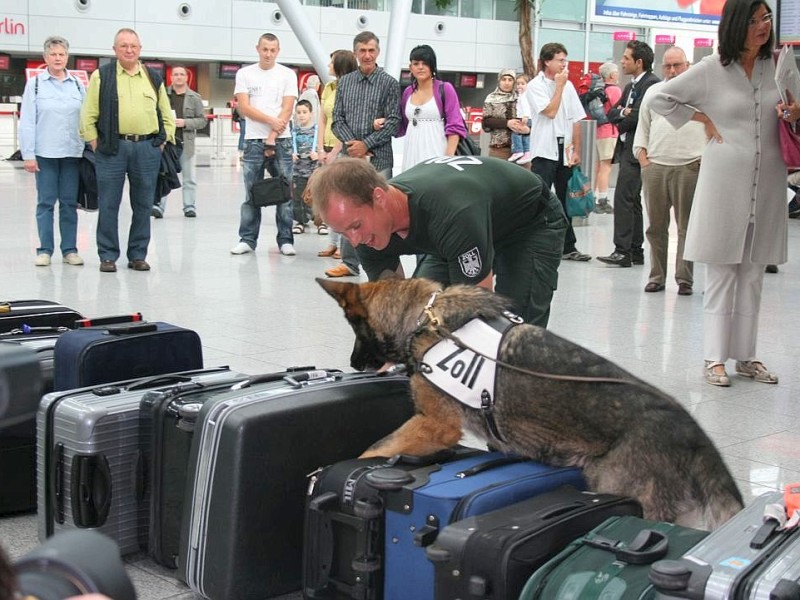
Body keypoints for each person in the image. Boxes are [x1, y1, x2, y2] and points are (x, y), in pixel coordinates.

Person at [649, 0, 800, 387]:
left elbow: (794, 108)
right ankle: (714, 359)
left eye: (766, 18)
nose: (763, 26)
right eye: (754, 21)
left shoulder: (780, 65)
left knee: (753, 273)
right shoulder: (711, 70)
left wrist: (794, 115)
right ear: (735, 26)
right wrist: (699, 117)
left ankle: (746, 357)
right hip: (722, 182)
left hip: (767, 182)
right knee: (720, 272)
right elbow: (659, 98)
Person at [309, 156, 568, 327]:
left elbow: (478, 310)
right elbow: (397, 309)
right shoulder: (367, 234)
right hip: (459, 232)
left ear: (379, 197)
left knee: (511, 326)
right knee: (423, 313)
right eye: (343, 233)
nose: (355, 241)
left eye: (355, 226)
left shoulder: (449, 215)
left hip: (529, 223)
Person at [80, 27, 175, 273]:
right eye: (123, 46)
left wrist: (162, 142)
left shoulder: (153, 77)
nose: (129, 50)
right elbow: (88, 114)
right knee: (109, 203)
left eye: (133, 46)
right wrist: (94, 142)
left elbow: (167, 113)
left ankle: (138, 255)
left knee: (143, 205)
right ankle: (108, 255)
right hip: (111, 148)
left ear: (140, 49)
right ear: (115, 50)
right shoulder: (102, 75)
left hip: (147, 148)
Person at [633, 46, 705, 297]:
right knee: (655, 226)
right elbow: (643, 127)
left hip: (689, 165)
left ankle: (684, 278)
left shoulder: (700, 92)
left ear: (688, 65)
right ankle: (657, 276)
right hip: (655, 166)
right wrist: (643, 158)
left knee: (686, 227)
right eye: (668, 66)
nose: (673, 71)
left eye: (678, 65)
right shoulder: (654, 92)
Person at [329, 30, 401, 277]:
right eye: (362, 51)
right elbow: (336, 119)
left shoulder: (390, 83)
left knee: (380, 209)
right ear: (355, 53)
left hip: (378, 160)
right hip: (349, 158)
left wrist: (367, 144)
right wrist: (353, 145)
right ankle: (349, 263)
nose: (367, 55)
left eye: (371, 50)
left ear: (378, 52)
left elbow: (393, 122)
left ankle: (384, 264)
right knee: (348, 206)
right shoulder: (345, 83)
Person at [19, 35, 85, 267]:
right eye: (53, 54)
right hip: (45, 154)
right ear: (45, 57)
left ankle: (70, 249)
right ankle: (45, 249)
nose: (58, 58)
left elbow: (86, 117)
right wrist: (28, 154)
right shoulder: (35, 84)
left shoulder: (77, 84)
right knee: (45, 203)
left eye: (62, 54)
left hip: (72, 154)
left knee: (68, 203)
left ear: (67, 56)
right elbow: (27, 120)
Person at [229, 33, 298, 257]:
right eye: (264, 49)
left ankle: (286, 240)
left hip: (282, 141)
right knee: (251, 193)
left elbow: (287, 108)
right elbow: (244, 108)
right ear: (257, 48)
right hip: (252, 142)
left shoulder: (288, 74)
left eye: (272, 50)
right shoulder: (244, 73)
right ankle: (247, 239)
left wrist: (273, 133)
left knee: (285, 192)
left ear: (278, 51)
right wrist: (271, 122)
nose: (268, 54)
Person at [525, 42, 592, 262]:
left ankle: (568, 246)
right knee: (541, 197)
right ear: (547, 62)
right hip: (544, 150)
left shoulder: (569, 86)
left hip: (565, 149)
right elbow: (551, 112)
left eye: (565, 59)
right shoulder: (535, 86)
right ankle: (535, 242)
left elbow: (575, 119)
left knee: (566, 197)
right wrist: (559, 87)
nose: (564, 64)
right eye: (560, 60)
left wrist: (577, 150)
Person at [597, 40, 660, 268]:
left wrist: (623, 115)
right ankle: (635, 250)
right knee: (632, 201)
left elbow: (637, 118)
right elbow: (612, 113)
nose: (622, 62)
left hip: (640, 150)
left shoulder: (652, 85)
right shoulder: (629, 87)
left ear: (639, 62)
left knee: (624, 198)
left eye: (626, 58)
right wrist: (623, 112)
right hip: (626, 149)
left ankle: (622, 251)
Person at [394, 44, 465, 171]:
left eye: (425, 63)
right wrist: (382, 122)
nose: (420, 67)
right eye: (416, 64)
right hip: (411, 153)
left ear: (432, 66)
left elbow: (455, 125)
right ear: (410, 67)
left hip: (438, 151)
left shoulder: (445, 89)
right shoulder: (407, 92)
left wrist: (448, 158)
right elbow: (401, 125)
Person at [154, 65, 206, 218]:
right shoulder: (162, 94)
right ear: (171, 77)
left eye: (181, 74)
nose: (178, 77)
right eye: (175, 74)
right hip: (167, 143)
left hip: (185, 143)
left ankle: (189, 207)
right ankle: (159, 206)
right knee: (163, 174)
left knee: (189, 177)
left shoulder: (194, 97)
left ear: (186, 77)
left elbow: (202, 121)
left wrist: (185, 123)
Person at [594, 61, 622, 214]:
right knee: (606, 167)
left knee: (600, 167)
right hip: (610, 131)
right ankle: (602, 200)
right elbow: (620, 110)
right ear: (611, 75)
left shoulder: (601, 90)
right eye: (616, 72)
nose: (618, 74)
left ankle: (597, 196)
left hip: (600, 131)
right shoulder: (615, 90)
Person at [290, 99, 319, 233]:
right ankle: (300, 221)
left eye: (304, 112)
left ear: (311, 113)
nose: (301, 115)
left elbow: (322, 147)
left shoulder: (317, 130)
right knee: (298, 197)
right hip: (298, 170)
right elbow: (288, 146)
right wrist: (291, 153)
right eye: (299, 112)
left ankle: (320, 221)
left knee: (317, 196)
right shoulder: (293, 131)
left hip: (314, 170)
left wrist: (318, 153)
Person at [481, 69, 518, 160]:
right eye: (504, 79)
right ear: (499, 81)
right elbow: (486, 121)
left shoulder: (521, 97)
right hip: (499, 147)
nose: (507, 83)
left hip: (521, 149)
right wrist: (507, 123)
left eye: (510, 80)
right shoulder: (491, 98)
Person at [508, 74, 532, 165]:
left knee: (516, 132)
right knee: (525, 137)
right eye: (518, 84)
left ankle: (518, 150)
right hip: (525, 117)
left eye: (523, 84)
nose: (519, 86)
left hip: (524, 117)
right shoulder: (521, 95)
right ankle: (527, 152)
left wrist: (525, 116)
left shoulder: (525, 95)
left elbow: (526, 106)